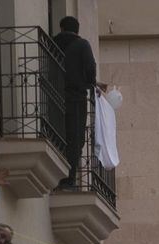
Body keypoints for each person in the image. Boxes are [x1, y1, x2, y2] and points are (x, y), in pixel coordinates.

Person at [53, 17, 110, 190]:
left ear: (61, 28)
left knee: (58, 135)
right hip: (75, 98)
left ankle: (56, 173)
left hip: (55, 96)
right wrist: (92, 84)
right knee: (75, 138)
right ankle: (68, 179)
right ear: (77, 30)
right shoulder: (82, 45)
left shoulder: (53, 43)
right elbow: (89, 68)